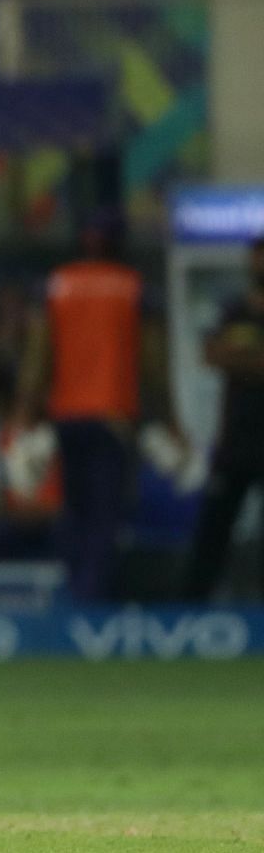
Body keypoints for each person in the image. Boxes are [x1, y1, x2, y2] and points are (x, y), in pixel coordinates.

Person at [13, 218, 150, 603]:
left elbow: (38, 353)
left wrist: (24, 412)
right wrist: (168, 417)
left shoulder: (58, 284)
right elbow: (153, 357)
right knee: (104, 517)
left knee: (74, 513)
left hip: (67, 415)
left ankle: (78, 594)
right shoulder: (132, 286)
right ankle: (91, 603)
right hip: (114, 416)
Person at [181, 237, 264, 600]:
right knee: (214, 529)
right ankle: (190, 613)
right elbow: (211, 354)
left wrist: (241, 358)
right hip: (236, 440)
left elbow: (227, 356)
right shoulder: (234, 310)